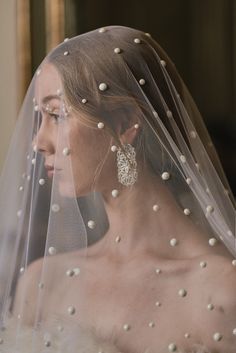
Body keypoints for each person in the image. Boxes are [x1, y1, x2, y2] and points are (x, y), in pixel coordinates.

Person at [0, 25, 235, 353]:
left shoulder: (221, 294)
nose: (39, 142)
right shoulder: (43, 282)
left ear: (125, 123)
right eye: (41, 117)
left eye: (57, 115)